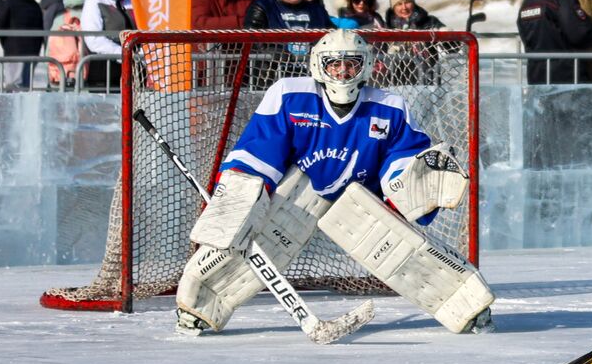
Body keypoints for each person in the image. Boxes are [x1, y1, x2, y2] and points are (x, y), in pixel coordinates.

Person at [173, 29, 493, 338]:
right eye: (334, 63)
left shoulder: (389, 107)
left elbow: (402, 156)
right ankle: (197, 306)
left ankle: (467, 306)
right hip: (300, 192)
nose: (342, 72)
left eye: (351, 63)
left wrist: (411, 183)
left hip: (362, 198)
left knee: (402, 251)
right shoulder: (289, 95)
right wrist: (243, 191)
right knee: (246, 233)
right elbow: (261, 147)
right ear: (318, 65)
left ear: (364, 66)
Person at [78, 0, 133, 87]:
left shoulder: (132, 2)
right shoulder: (95, 1)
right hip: (104, 72)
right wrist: (123, 54)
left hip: (132, 72)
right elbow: (94, 39)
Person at [0, 0, 44, 90]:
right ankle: (25, 107)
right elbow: (41, 26)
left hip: (14, 51)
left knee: (14, 85)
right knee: (26, 86)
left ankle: (14, 108)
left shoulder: (8, 3)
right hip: (33, 51)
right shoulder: (34, 4)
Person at [46, 0, 93, 88]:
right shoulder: (90, 17)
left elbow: (49, 48)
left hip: (62, 74)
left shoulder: (60, 18)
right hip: (87, 75)